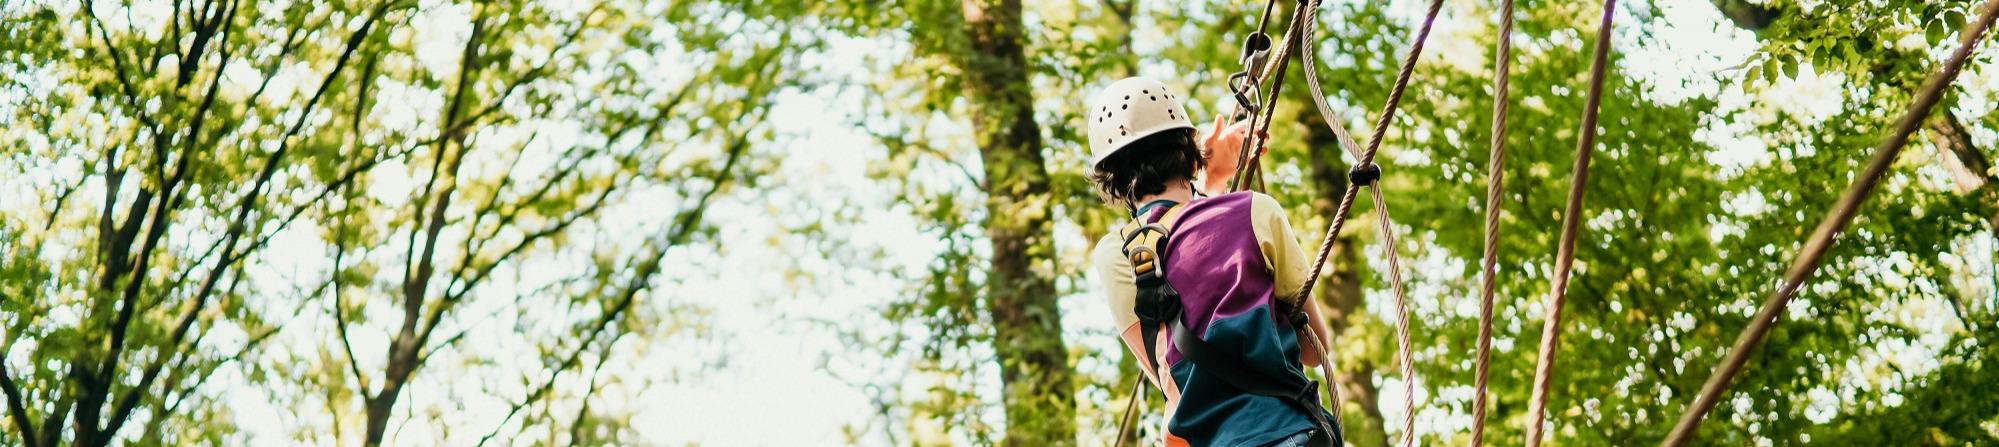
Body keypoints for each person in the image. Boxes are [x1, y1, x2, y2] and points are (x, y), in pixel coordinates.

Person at [1088, 77, 1340, 447]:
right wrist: (1210, 177)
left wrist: (1212, 179)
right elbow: (1313, 348)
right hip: (1293, 434)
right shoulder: (1254, 210)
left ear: (1113, 179)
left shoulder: (1116, 255)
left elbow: (1172, 380)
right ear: (1189, 148)